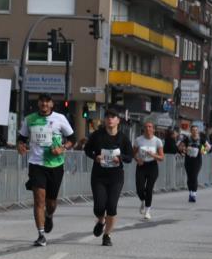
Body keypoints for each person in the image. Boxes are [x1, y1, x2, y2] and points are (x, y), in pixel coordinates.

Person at [17, 93, 75, 247]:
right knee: (39, 200)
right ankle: (41, 234)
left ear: (51, 104)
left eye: (47, 101)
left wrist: (62, 148)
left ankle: (49, 215)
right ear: (38, 104)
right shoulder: (29, 119)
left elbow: (72, 139)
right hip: (36, 164)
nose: (44, 104)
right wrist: (20, 146)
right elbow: (21, 138)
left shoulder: (60, 118)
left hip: (55, 165)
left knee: (51, 203)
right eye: (41, 101)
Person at [84, 107, 133, 246]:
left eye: (113, 117)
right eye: (107, 117)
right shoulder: (97, 135)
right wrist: (95, 157)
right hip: (99, 176)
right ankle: (101, 221)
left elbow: (130, 156)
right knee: (99, 207)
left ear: (118, 120)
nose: (110, 119)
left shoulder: (123, 138)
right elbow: (87, 149)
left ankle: (107, 235)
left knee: (111, 207)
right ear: (104, 120)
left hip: (116, 177)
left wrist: (121, 158)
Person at [133, 120, 165, 220]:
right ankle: (143, 200)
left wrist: (153, 155)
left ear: (153, 129)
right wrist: (137, 160)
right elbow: (133, 153)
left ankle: (147, 211)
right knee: (139, 188)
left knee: (149, 188)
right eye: (146, 127)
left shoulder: (157, 141)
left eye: (150, 127)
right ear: (143, 129)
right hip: (141, 165)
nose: (148, 128)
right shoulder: (138, 140)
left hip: (152, 166)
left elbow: (161, 157)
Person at [178, 127, 208, 202]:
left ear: (198, 131)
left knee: (194, 176)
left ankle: (194, 194)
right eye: (193, 130)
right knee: (189, 177)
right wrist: (185, 149)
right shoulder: (187, 139)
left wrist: (203, 151)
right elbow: (180, 147)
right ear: (191, 131)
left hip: (197, 161)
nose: (195, 131)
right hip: (188, 160)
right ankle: (190, 192)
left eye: (196, 130)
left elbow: (208, 146)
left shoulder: (201, 139)